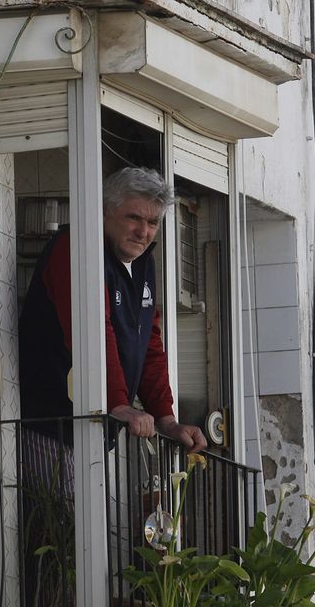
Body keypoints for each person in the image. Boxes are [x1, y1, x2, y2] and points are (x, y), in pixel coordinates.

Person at [18, 166, 208, 454]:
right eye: (134, 217)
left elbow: (148, 346)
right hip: (51, 426)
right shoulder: (78, 248)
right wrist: (119, 404)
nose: (144, 232)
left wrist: (166, 420)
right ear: (105, 211)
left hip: (95, 428)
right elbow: (91, 331)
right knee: (63, 501)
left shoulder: (143, 264)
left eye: (153, 222)